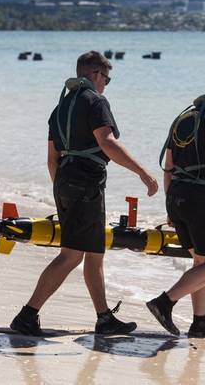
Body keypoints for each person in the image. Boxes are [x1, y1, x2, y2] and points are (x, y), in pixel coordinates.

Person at [10, 51, 159, 336]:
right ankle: (27, 315)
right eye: (107, 78)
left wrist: (60, 190)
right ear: (95, 75)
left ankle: (104, 318)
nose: (106, 84)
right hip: (86, 183)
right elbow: (107, 143)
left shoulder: (60, 107)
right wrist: (142, 172)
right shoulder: (95, 101)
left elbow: (51, 158)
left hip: (66, 179)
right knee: (72, 255)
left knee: (93, 252)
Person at [148, 68, 205, 337]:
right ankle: (164, 302)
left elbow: (168, 165)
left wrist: (169, 204)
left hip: (178, 196)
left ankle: (201, 321)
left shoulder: (183, 117)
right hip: (203, 198)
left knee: (202, 263)